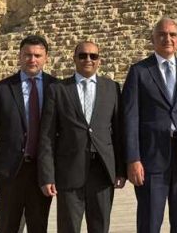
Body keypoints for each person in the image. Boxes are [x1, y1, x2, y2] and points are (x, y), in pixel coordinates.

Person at [122, 17, 177, 233]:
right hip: (151, 158)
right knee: (150, 222)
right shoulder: (139, 71)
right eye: (162, 34)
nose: (167, 39)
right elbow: (130, 118)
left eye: (172, 35)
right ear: (152, 39)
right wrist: (133, 159)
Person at [37, 41, 126, 233]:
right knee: (68, 228)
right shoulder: (58, 89)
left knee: (100, 227)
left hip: (102, 172)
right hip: (69, 172)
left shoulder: (112, 88)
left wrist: (121, 170)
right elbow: (47, 136)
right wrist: (47, 175)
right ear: (74, 59)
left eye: (93, 56)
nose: (88, 59)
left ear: (99, 60)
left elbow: (119, 133)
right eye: (83, 55)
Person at [0, 34, 57, 233]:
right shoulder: (1, 89)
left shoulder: (56, 88)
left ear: (46, 58)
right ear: (19, 56)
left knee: (38, 227)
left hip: (42, 173)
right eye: (28, 55)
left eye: (38, 55)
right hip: (8, 173)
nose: (32, 59)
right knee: (7, 227)